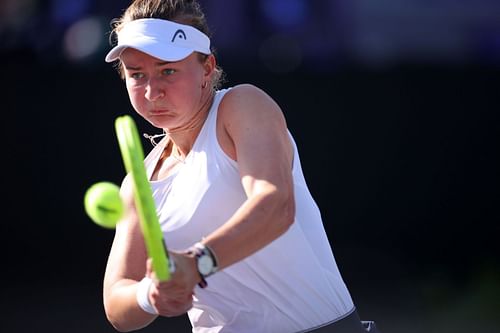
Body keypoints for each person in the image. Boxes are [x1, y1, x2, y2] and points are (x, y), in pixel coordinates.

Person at [102, 0, 380, 332]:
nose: (152, 90)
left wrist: (196, 263)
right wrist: (150, 295)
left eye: (168, 70)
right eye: (137, 75)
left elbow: (275, 205)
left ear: (207, 68)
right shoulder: (139, 181)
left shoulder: (242, 106)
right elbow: (117, 303)